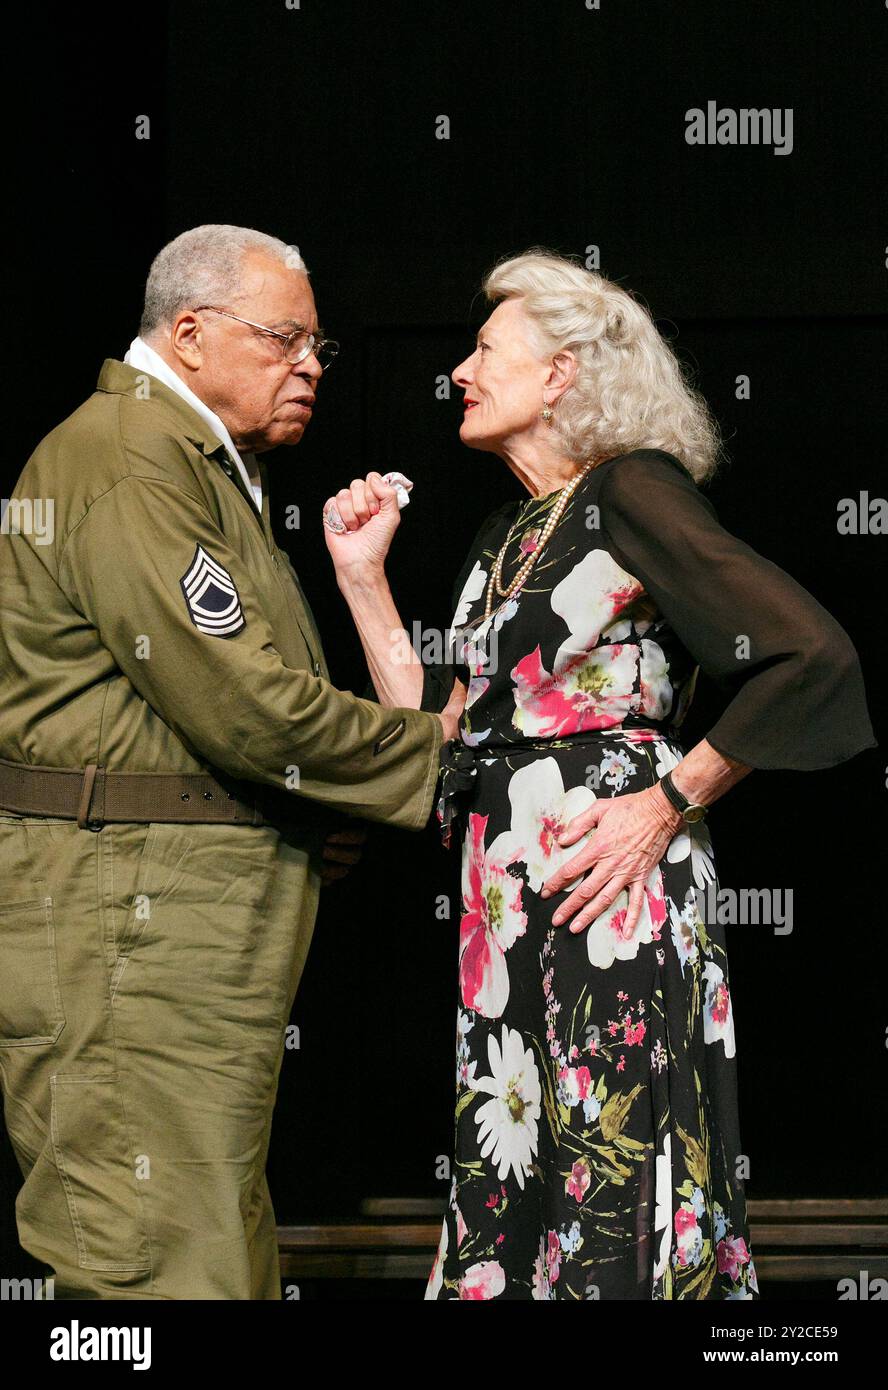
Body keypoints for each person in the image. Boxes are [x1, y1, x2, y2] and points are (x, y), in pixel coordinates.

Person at [323, 249, 877, 1300]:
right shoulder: (503, 535)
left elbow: (811, 652)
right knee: (518, 1159)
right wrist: (363, 581)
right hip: (509, 909)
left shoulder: (630, 489)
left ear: (562, 373)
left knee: (610, 1161)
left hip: (611, 891)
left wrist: (666, 804)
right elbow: (439, 742)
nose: (460, 370)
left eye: (486, 349)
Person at [0, 224, 458, 1300]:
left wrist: (310, 819)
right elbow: (251, 711)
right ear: (192, 332)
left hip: (171, 914)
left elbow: (212, 716)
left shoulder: (194, 462)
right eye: (285, 340)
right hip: (129, 921)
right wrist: (445, 752)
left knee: (204, 1238)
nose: (308, 365)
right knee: (150, 1268)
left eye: (319, 349)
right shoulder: (128, 460)